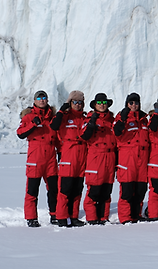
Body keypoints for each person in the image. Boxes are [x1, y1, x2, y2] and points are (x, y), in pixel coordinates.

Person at [16, 90, 58, 227]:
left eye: (44, 98)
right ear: (34, 101)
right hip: (35, 158)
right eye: (39, 98)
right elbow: (20, 133)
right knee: (32, 190)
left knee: (53, 189)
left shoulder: (53, 117)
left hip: (50, 158)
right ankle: (31, 217)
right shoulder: (28, 117)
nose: (42, 100)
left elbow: (58, 137)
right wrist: (33, 124)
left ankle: (54, 215)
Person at [51, 90, 88, 227]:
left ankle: (73, 217)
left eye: (80, 102)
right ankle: (61, 217)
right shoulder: (65, 117)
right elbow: (54, 126)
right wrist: (62, 109)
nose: (77, 105)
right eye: (75, 102)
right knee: (65, 190)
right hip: (69, 156)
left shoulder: (85, 118)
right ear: (70, 103)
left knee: (77, 190)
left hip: (81, 157)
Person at [80, 93, 116, 225]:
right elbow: (84, 136)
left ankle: (103, 217)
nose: (102, 105)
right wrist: (91, 123)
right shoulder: (89, 119)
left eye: (104, 102)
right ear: (95, 105)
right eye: (99, 102)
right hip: (96, 159)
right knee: (94, 190)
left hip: (110, 158)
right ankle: (92, 218)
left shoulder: (112, 120)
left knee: (106, 190)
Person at [113, 92, 150, 224]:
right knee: (127, 190)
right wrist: (123, 119)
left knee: (140, 189)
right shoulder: (121, 117)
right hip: (127, 159)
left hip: (142, 159)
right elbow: (116, 132)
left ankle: (136, 215)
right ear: (127, 104)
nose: (134, 105)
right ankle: (125, 217)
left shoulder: (144, 119)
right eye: (131, 103)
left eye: (136, 103)